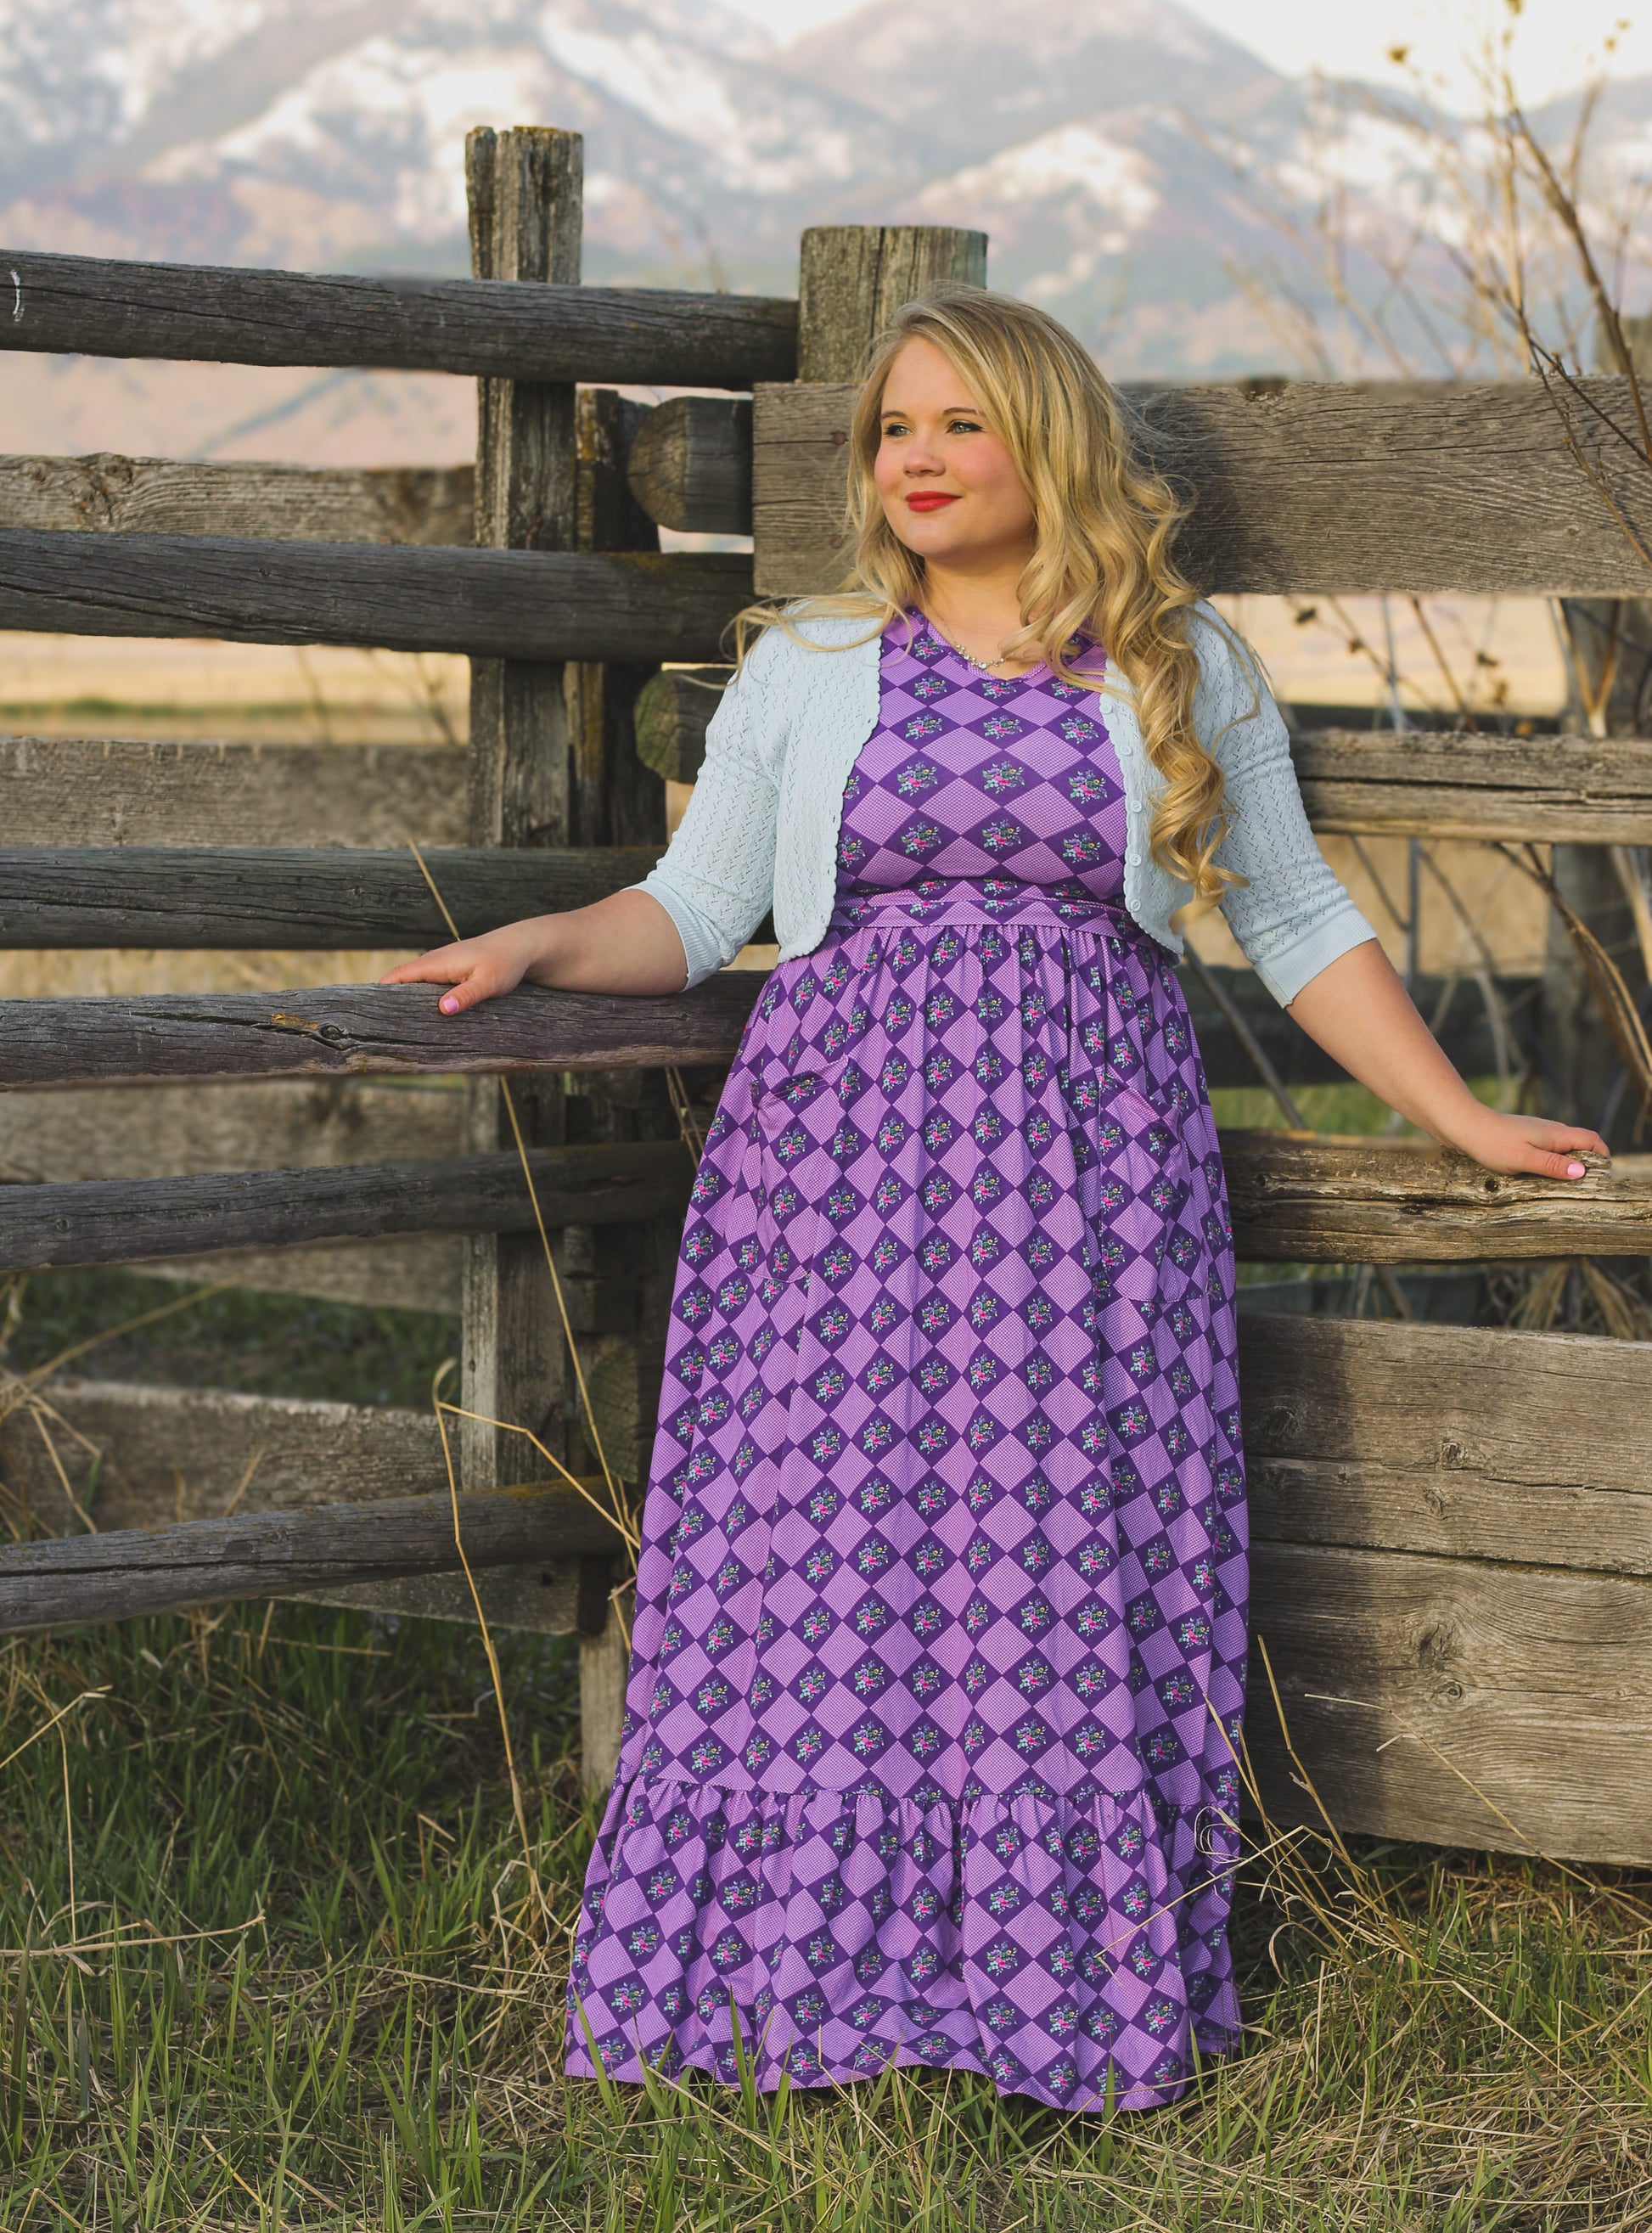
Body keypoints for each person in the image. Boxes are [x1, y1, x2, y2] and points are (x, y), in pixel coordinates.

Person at [384, 290, 1604, 2114]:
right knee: (810, 1560)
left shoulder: (1176, 665)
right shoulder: (807, 663)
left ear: (1048, 443)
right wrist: (547, 937)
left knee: (1054, 1565)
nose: (920, 459)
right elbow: (697, 903)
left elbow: (1290, 917)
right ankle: (782, 1993)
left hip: (1082, 1187)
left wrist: (1460, 1113)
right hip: (833, 1176)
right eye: (894, 429)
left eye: (959, 423)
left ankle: (1047, 1998)